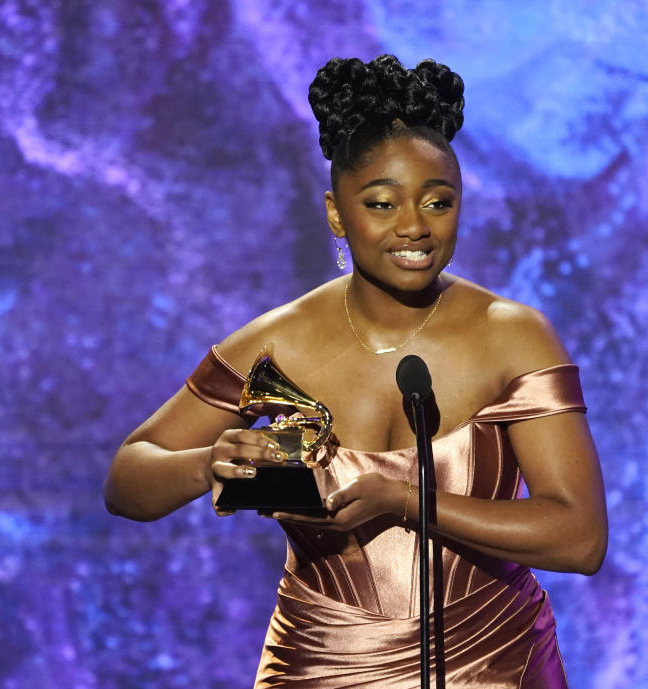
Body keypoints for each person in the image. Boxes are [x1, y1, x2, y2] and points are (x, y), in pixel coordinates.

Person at [103, 54, 607, 688]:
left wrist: (406, 500)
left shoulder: (513, 335)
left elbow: (581, 538)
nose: (414, 226)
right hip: (319, 664)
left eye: (437, 201)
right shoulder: (276, 343)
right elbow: (127, 480)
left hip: (493, 661)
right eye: (381, 203)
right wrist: (207, 464)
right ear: (337, 213)